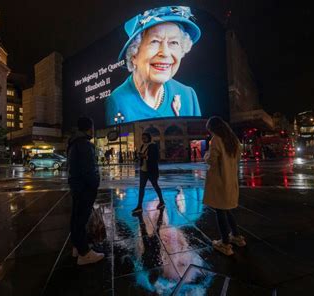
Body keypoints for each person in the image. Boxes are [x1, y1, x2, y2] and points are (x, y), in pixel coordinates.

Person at [105, 6, 202, 126]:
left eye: (173, 42)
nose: (165, 53)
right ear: (134, 54)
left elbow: (198, 142)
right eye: (155, 41)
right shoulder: (118, 101)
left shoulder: (188, 96)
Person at [203, 116, 246, 256]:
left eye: (210, 130)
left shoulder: (216, 140)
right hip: (230, 179)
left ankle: (225, 244)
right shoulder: (233, 140)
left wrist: (205, 156)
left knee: (220, 211)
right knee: (227, 209)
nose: (210, 132)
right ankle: (237, 236)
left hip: (220, 180)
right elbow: (237, 158)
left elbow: (212, 161)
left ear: (213, 128)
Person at [67, 116, 104, 265]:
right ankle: (84, 253)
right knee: (81, 219)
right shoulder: (85, 144)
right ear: (89, 128)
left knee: (76, 218)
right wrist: (95, 184)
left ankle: (77, 246)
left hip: (76, 185)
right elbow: (89, 170)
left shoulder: (73, 142)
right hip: (84, 188)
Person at [132, 132, 165, 215]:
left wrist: (145, 156)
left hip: (151, 170)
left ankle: (161, 201)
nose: (143, 139)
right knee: (141, 188)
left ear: (149, 138)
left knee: (155, 185)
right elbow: (142, 156)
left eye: (145, 138)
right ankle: (139, 206)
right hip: (143, 170)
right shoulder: (143, 146)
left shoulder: (153, 146)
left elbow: (156, 157)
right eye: (142, 138)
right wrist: (138, 158)